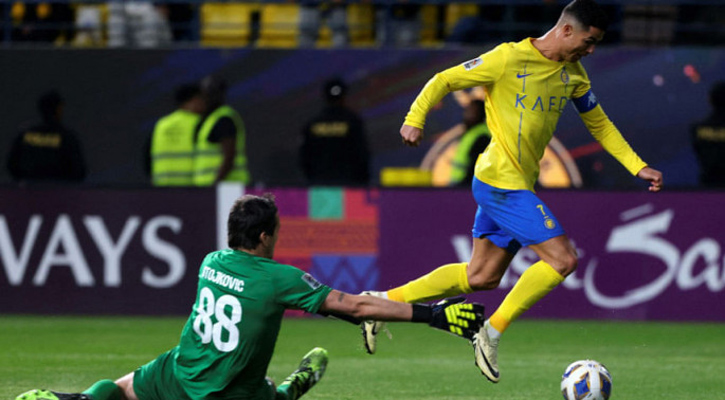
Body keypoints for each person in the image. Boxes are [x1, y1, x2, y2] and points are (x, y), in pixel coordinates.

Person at [361, 0, 663, 384]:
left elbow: (599, 124)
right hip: (499, 181)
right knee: (563, 260)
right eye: (588, 41)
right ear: (567, 30)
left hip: (518, 182)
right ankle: (491, 330)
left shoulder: (574, 75)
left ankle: (379, 303)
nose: (590, 50)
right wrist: (414, 119)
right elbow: (444, 79)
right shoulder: (507, 59)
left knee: (481, 276)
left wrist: (637, 165)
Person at [16, 193, 485, 400]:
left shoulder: (211, 261)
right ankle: (296, 384)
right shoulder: (278, 278)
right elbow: (355, 306)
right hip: (228, 392)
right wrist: (432, 316)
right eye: (276, 232)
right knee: (273, 399)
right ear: (264, 236)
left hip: (180, 373)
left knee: (116, 390)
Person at [299, 78, 370, 186]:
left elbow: (304, 157)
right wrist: (362, 182)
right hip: (348, 184)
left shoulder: (313, 124)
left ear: (325, 97)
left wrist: (311, 179)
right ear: (344, 96)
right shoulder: (353, 122)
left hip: (319, 184)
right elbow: (362, 154)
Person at [7, 90, 87, 183]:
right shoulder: (66, 137)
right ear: (58, 110)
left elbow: (12, 165)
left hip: (30, 192)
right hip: (60, 192)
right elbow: (78, 170)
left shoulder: (26, 136)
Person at [194, 75, 251, 186]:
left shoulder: (224, 119)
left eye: (211, 92)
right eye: (205, 92)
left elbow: (229, 156)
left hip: (227, 188)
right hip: (210, 187)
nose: (206, 97)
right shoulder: (211, 118)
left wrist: (215, 185)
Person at [148, 83, 205, 186]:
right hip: (192, 187)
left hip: (161, 187)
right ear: (194, 100)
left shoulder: (162, 124)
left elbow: (147, 157)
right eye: (202, 99)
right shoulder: (200, 123)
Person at [691, 81, 725, 188]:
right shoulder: (697, 129)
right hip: (711, 187)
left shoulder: (697, 129)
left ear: (709, 100)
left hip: (708, 187)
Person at [450, 99, 491, 187]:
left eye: (472, 110)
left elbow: (476, 166)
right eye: (467, 110)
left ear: (481, 113)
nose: (467, 113)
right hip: (459, 183)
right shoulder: (471, 132)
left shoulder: (482, 136)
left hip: (467, 186)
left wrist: (465, 184)